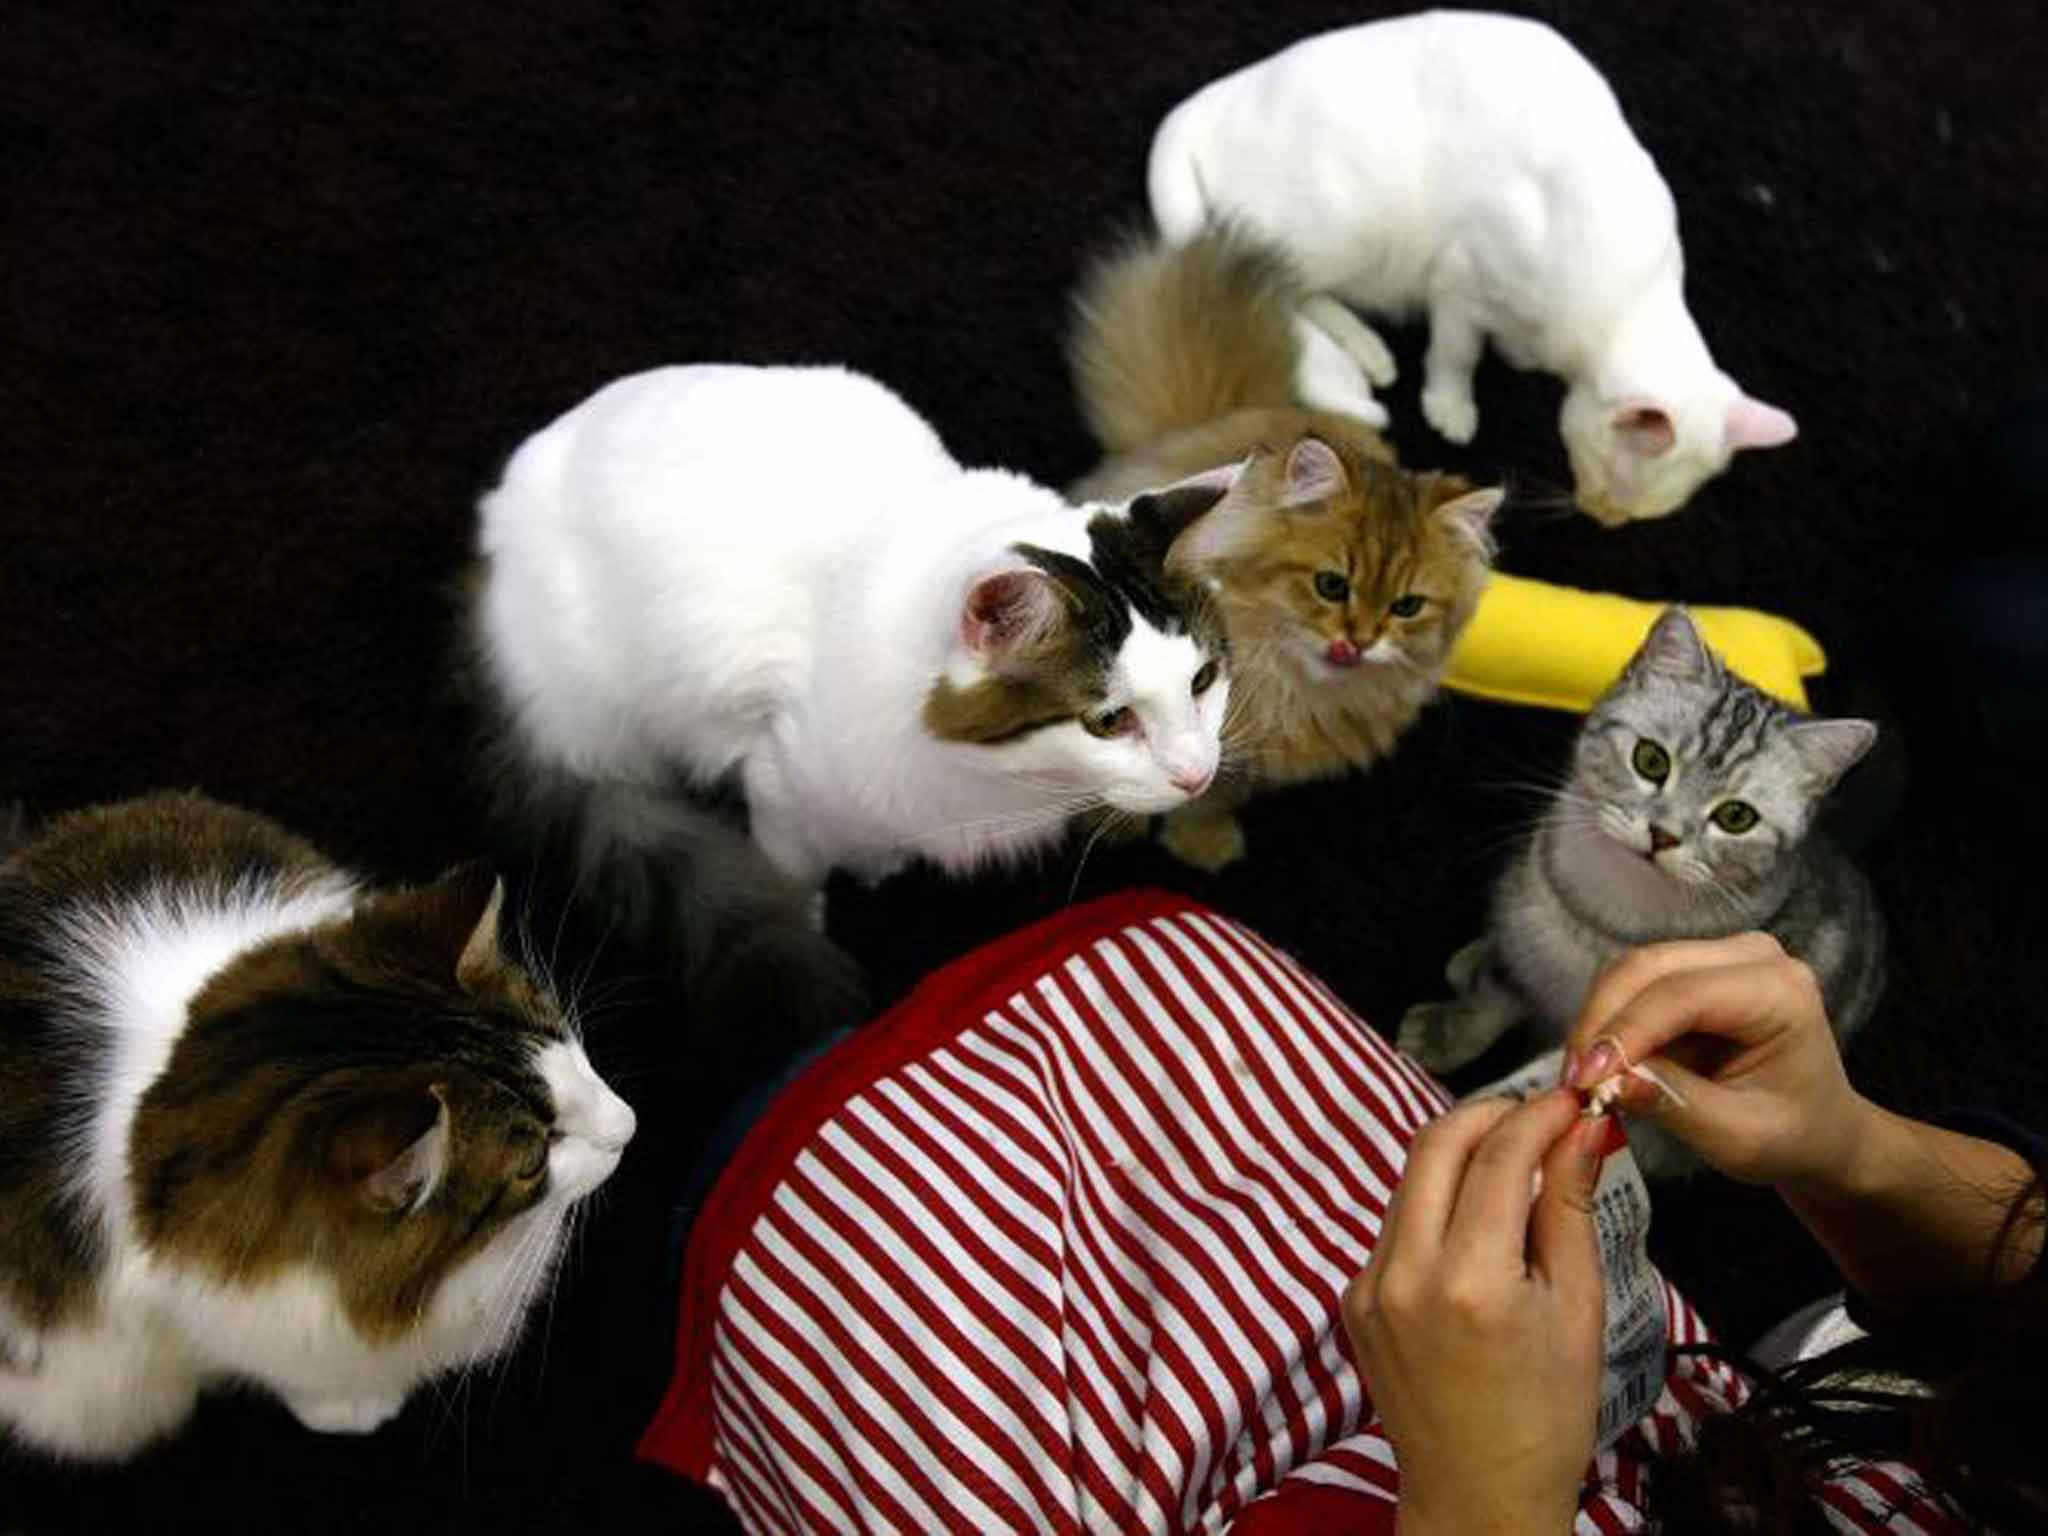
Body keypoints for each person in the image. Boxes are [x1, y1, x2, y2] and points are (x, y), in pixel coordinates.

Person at [637, 891, 2045, 1534]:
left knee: (800, 1149)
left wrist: (1482, 1499)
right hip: (1681, 1432)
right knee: (1164, 978)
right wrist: (1848, 1149)